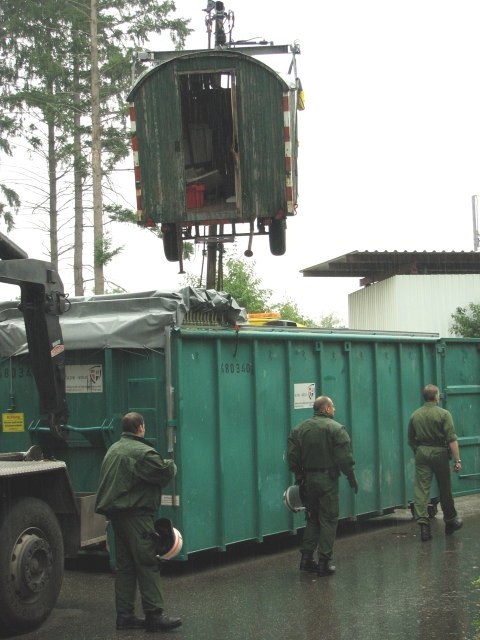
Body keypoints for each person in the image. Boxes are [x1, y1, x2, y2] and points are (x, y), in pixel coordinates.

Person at [95, 412, 182, 632]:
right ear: (141, 427)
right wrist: (171, 463)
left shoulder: (114, 449)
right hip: (136, 514)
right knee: (147, 561)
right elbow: (163, 473)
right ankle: (154, 615)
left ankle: (125, 616)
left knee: (125, 566)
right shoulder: (142, 452)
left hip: (117, 515)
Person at [287, 395, 358, 577]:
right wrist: (351, 478)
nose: (334, 409)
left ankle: (306, 559)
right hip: (327, 481)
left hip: (309, 480)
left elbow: (292, 458)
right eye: (332, 406)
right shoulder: (336, 429)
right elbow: (345, 460)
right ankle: (324, 563)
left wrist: (300, 475)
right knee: (328, 519)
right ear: (326, 409)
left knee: (313, 517)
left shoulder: (299, 429)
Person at [407, 384, 463, 541]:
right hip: (440, 453)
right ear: (437, 397)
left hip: (422, 453)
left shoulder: (415, 415)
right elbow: (452, 439)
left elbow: (410, 439)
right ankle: (451, 521)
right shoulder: (444, 414)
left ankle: (424, 527)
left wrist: (418, 451)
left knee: (421, 489)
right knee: (445, 488)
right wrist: (457, 460)